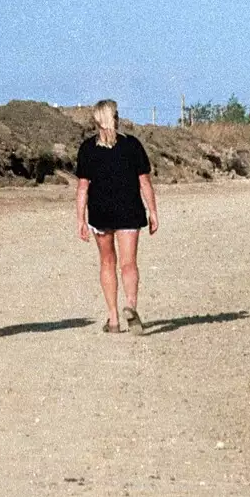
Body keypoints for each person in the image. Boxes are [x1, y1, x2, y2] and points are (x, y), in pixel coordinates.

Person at [74, 99, 158, 334]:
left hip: (100, 212)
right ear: (116, 118)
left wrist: (80, 219)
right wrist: (153, 211)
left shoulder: (87, 149)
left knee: (107, 262)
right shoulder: (132, 145)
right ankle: (130, 305)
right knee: (129, 263)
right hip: (130, 210)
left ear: (96, 120)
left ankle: (113, 318)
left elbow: (83, 188)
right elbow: (145, 182)